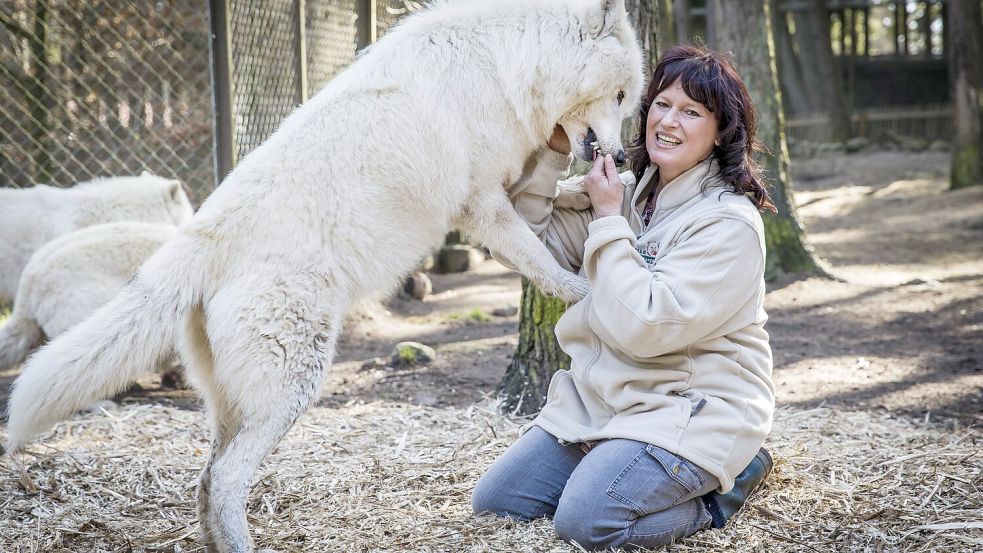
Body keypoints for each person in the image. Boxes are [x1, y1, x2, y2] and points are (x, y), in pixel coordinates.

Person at [472, 44, 777, 550]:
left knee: (586, 523)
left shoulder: (728, 224)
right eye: (662, 104)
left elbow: (646, 328)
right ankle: (613, 462)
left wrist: (609, 220)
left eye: (691, 112)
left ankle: (728, 486)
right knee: (499, 503)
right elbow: (526, 241)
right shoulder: (626, 192)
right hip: (606, 405)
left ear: (722, 131)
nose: (669, 121)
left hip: (691, 410)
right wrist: (553, 152)